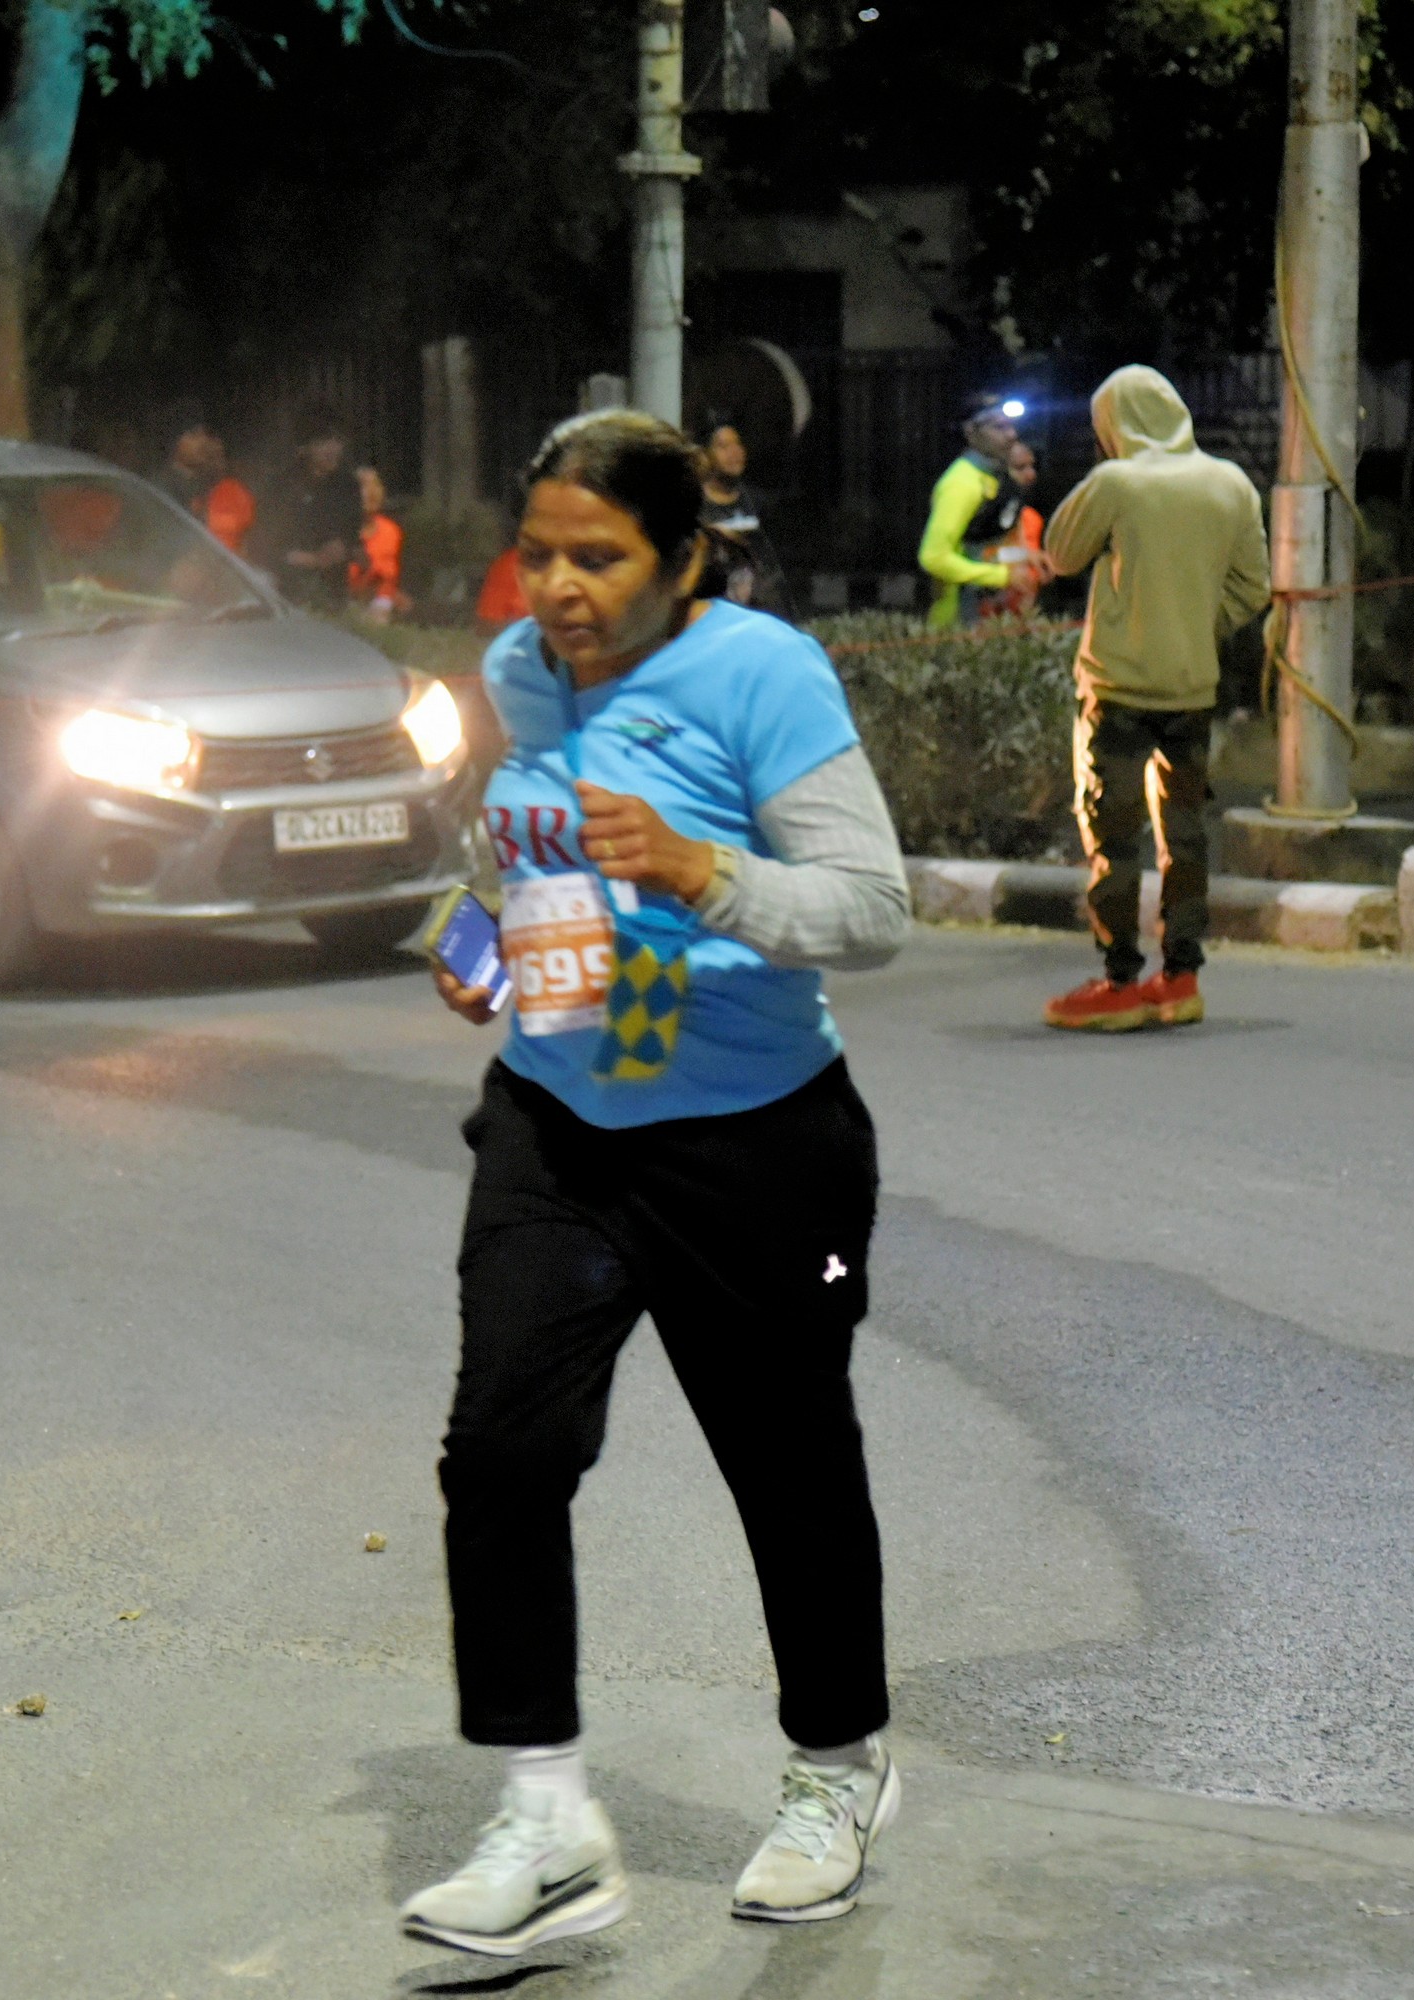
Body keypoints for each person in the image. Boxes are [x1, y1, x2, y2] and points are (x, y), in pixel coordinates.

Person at [401, 412, 912, 1955]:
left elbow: (873, 908)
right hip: (558, 1118)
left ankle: (836, 1771)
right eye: (537, 554)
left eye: (599, 558)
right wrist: (480, 941)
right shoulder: (519, 671)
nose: (557, 587)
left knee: (787, 1462)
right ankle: (547, 1815)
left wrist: (701, 869)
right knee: (501, 1448)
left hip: (752, 1140)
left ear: (685, 559)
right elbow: (520, 855)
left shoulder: (764, 675)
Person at [1036, 366, 1269, 1033]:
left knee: (1112, 834)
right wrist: (1195, 626)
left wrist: (1103, 477)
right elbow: (1253, 588)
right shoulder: (1230, 484)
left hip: (1117, 688)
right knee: (1185, 831)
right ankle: (1181, 976)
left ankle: (1118, 981)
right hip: (1191, 688)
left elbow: (1060, 553)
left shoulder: (1117, 483)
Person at [916, 394, 1043, 629]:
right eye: (999, 427)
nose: (1011, 435)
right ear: (971, 432)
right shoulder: (962, 482)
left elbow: (980, 547)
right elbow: (934, 557)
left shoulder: (992, 477)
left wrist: (1024, 556)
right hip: (959, 619)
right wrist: (1003, 577)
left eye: (1011, 426)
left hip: (987, 615)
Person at [262, 412, 362, 611]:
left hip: (332, 589)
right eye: (324, 442)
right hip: (285, 587)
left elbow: (352, 533)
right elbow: (263, 543)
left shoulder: (347, 486)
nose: (333, 449)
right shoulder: (281, 486)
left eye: (337, 441)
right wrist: (305, 558)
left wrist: (344, 547)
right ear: (304, 447)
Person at [699, 415, 789, 616]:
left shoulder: (758, 504)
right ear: (704, 455)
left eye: (737, 444)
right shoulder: (694, 507)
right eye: (723, 446)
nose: (734, 452)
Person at [154, 415, 255, 553]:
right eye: (193, 434)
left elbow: (244, 541)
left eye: (204, 434)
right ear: (176, 443)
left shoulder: (216, 488)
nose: (203, 441)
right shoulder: (160, 489)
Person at [983, 439, 1048, 620]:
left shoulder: (1032, 518)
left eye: (1032, 466)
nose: (1031, 475)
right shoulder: (984, 513)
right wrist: (1025, 556)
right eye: (1020, 468)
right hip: (984, 613)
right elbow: (980, 555)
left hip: (1023, 613)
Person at [347, 464, 408, 619]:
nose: (370, 493)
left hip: (379, 599)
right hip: (344, 599)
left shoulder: (391, 531)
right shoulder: (340, 531)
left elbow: (387, 577)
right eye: (363, 487)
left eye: (374, 487)